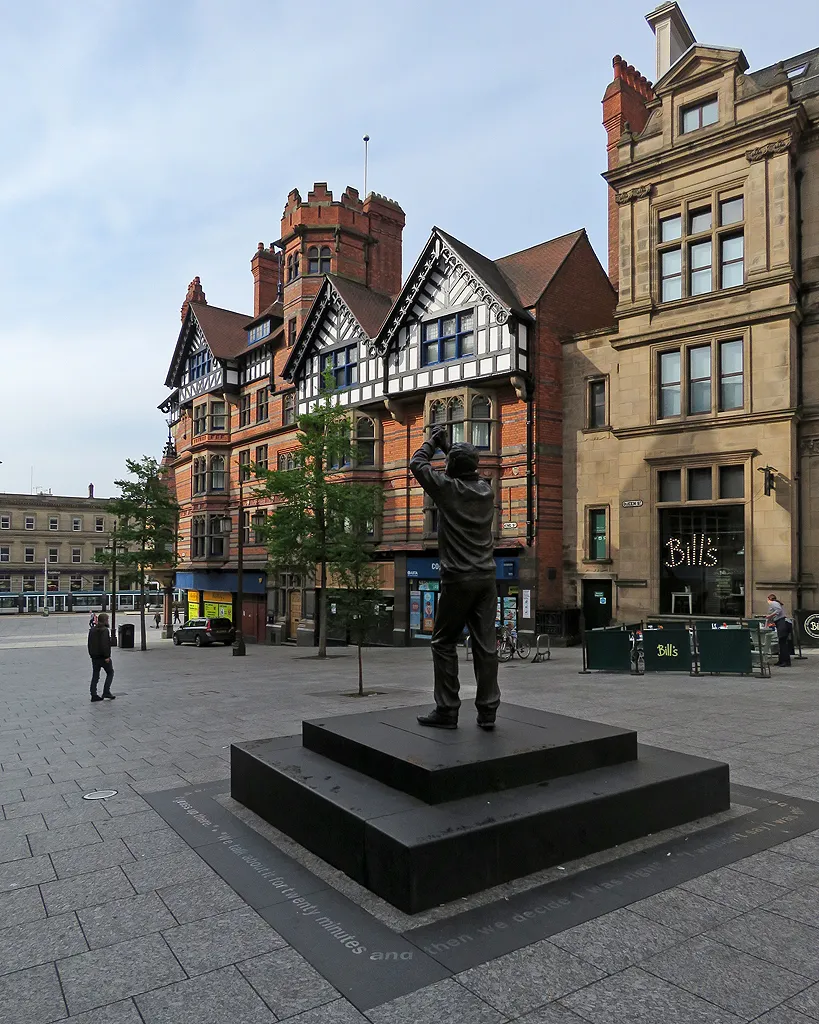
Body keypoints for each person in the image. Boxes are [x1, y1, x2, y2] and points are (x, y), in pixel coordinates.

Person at [409, 428, 500, 730]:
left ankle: (447, 710)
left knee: (443, 641)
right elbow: (464, 470)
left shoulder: (449, 490)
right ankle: (488, 711)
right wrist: (451, 450)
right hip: (486, 577)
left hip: (459, 579)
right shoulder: (486, 490)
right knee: (485, 646)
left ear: (451, 470)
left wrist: (432, 443)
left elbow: (417, 465)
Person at [88, 612, 116, 701]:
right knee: (110, 672)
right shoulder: (104, 630)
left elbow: (89, 644)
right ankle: (106, 691)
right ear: (104, 620)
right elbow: (105, 644)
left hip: (94, 657)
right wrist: (107, 656)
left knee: (95, 675)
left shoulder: (92, 630)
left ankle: (93, 694)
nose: (108, 621)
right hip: (103, 657)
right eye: (107, 619)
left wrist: (91, 654)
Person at [766, 593, 792, 667]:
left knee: (783, 643)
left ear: (769, 599)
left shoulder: (773, 603)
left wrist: (770, 616)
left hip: (782, 623)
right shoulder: (777, 603)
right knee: (782, 643)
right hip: (783, 623)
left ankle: (785, 661)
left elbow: (778, 610)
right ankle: (781, 660)